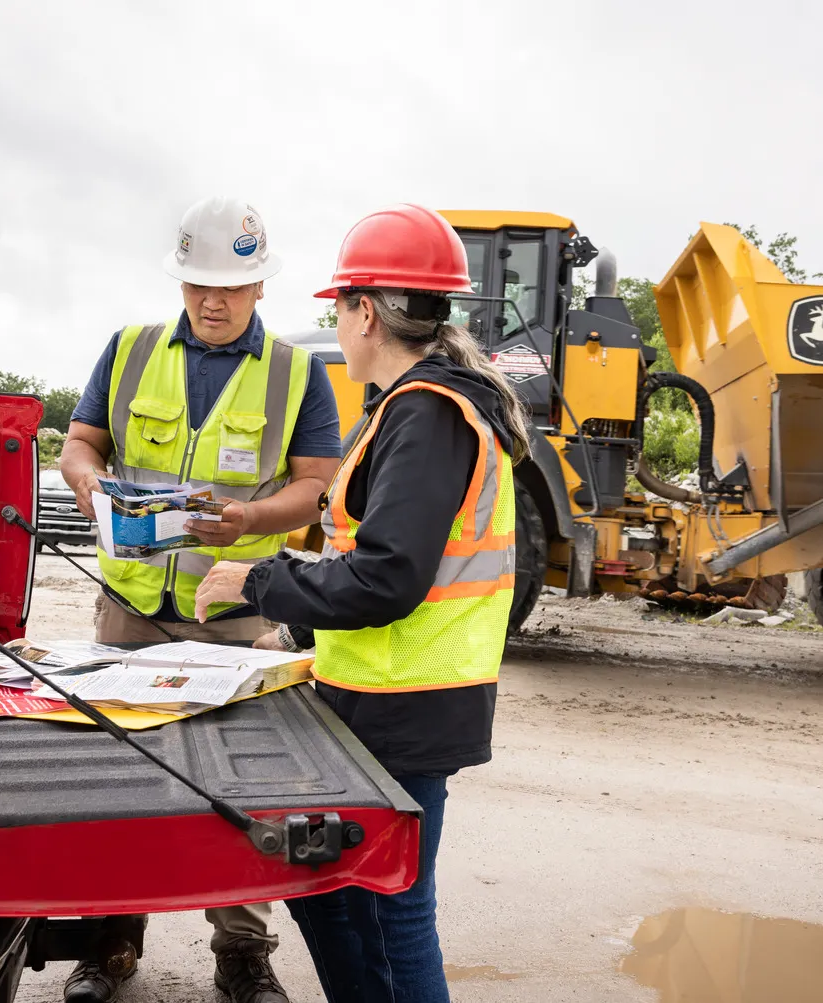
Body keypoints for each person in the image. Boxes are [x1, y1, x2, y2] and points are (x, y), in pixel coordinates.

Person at [194, 204, 531, 1003]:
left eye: (338, 307)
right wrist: (295, 625)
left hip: (405, 711)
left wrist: (258, 579)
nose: (336, 324)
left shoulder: (427, 414)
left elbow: (388, 577)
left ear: (366, 312)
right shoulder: (410, 408)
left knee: (394, 909)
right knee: (330, 888)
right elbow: (368, 555)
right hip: (373, 699)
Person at [57, 195, 342, 1003]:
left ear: (259, 285)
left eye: (229, 285)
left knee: (239, 786)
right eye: (196, 284)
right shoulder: (130, 349)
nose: (211, 301)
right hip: (130, 608)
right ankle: (111, 938)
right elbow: (84, 443)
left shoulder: (296, 373)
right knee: (121, 778)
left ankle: (242, 953)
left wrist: (251, 518)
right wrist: (88, 484)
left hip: (237, 614)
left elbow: (314, 488)